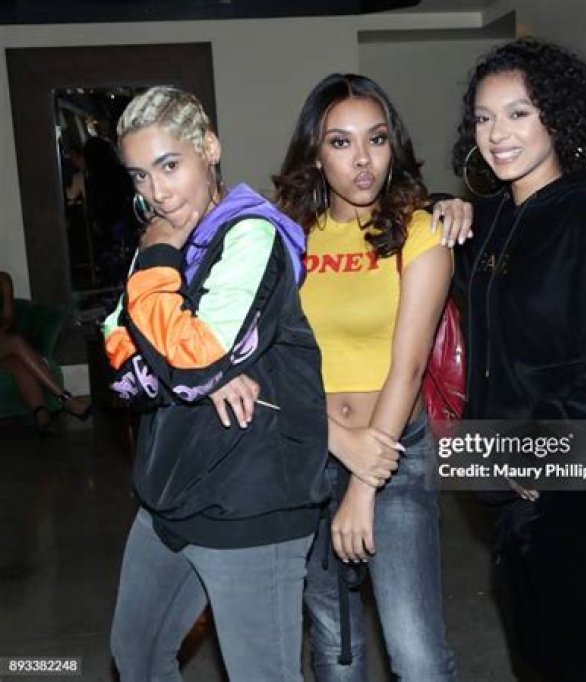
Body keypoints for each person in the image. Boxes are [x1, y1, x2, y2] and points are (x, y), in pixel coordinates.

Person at [450, 38, 586, 682]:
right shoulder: (493, 219)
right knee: (538, 654)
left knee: (573, 659)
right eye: (484, 118)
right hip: (505, 474)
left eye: (518, 113)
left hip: (573, 481)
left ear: (558, 118)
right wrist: (445, 205)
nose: (498, 134)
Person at [102, 86, 329, 681]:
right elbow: (120, 366)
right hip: (169, 494)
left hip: (249, 504)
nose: (156, 192)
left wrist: (193, 363)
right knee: (137, 658)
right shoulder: (164, 241)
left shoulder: (252, 235)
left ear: (208, 148)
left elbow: (191, 361)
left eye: (169, 165)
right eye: (140, 175)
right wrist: (200, 371)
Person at [270, 73, 458, 681]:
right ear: (315, 153)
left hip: (394, 460)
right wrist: (335, 441)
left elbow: (408, 369)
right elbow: (270, 359)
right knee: (335, 644)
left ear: (393, 145)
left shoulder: (421, 233)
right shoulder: (286, 236)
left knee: (417, 655)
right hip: (308, 452)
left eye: (375, 139)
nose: (362, 159)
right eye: (340, 142)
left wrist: (362, 484)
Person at [0, 270, 91, 431]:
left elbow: (9, 317)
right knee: (16, 342)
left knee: (17, 364)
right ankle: (67, 400)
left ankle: (42, 416)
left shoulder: (3, 279)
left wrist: (3, 328)